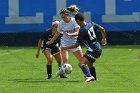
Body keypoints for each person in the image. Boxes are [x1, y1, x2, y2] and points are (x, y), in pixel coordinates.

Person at [47, 7, 95, 82]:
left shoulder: (74, 21)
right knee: (65, 60)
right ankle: (62, 70)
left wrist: (69, 34)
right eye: (62, 17)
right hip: (65, 43)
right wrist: (52, 40)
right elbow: (58, 32)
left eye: (64, 17)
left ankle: (87, 76)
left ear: (68, 15)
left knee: (81, 60)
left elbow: (77, 32)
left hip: (75, 43)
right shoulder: (61, 23)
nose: (63, 19)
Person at [61, 13, 107, 81]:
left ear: (78, 21)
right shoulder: (91, 24)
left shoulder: (82, 31)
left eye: (76, 21)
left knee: (81, 63)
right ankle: (94, 78)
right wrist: (104, 38)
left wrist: (65, 48)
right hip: (97, 47)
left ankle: (89, 76)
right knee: (89, 63)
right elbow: (102, 29)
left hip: (93, 50)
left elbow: (77, 45)